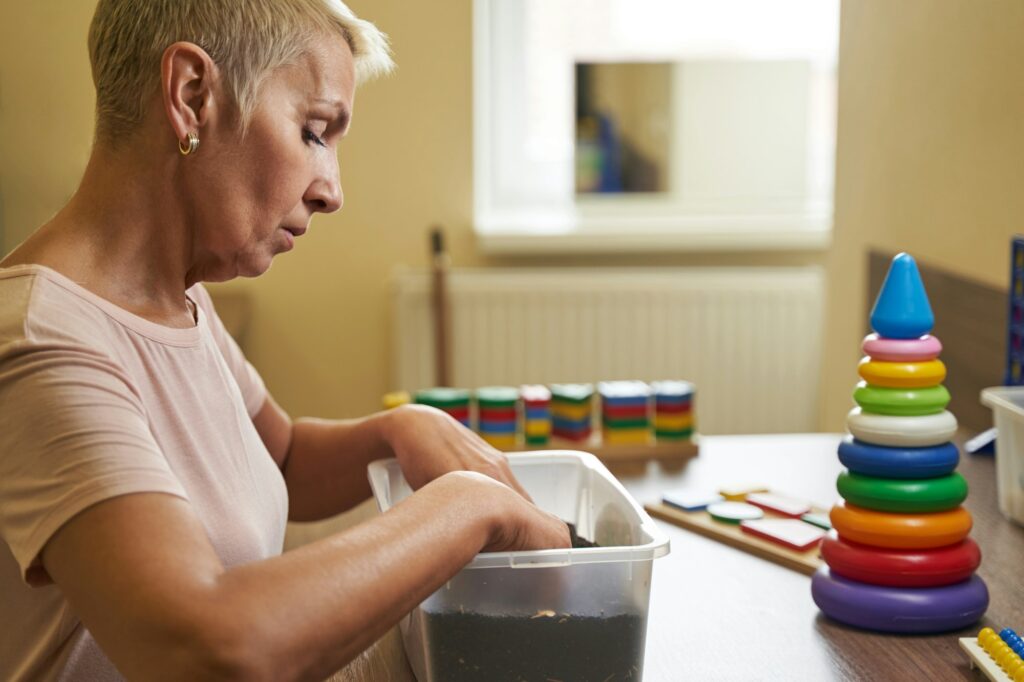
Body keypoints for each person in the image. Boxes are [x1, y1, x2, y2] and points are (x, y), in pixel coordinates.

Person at [0, 1, 571, 679]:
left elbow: (284, 460)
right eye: (314, 131)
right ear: (191, 96)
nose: (332, 190)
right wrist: (469, 508)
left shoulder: (180, 300)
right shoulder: (42, 345)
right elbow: (202, 647)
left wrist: (396, 428)